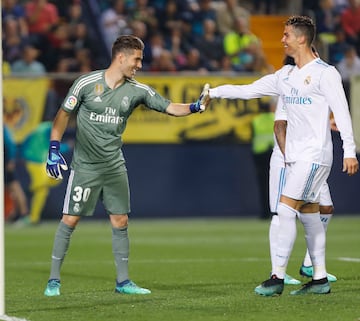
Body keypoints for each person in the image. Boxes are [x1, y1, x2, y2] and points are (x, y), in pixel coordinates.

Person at [43, 35, 210, 297]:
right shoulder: (86, 83)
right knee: (70, 219)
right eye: (137, 59)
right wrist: (53, 149)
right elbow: (62, 116)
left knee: (120, 221)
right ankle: (53, 280)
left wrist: (196, 106)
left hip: (114, 167)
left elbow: (169, 107)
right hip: (85, 167)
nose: (140, 65)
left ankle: (123, 282)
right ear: (121, 57)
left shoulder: (137, 90)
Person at [204, 15, 359, 296]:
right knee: (310, 215)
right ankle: (319, 279)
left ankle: (276, 278)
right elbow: (248, 90)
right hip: (298, 157)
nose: (282, 39)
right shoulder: (285, 76)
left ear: (301, 38)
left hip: (314, 155)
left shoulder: (326, 73)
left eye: (286, 34)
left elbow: (343, 113)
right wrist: (214, 92)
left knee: (286, 209)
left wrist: (349, 150)